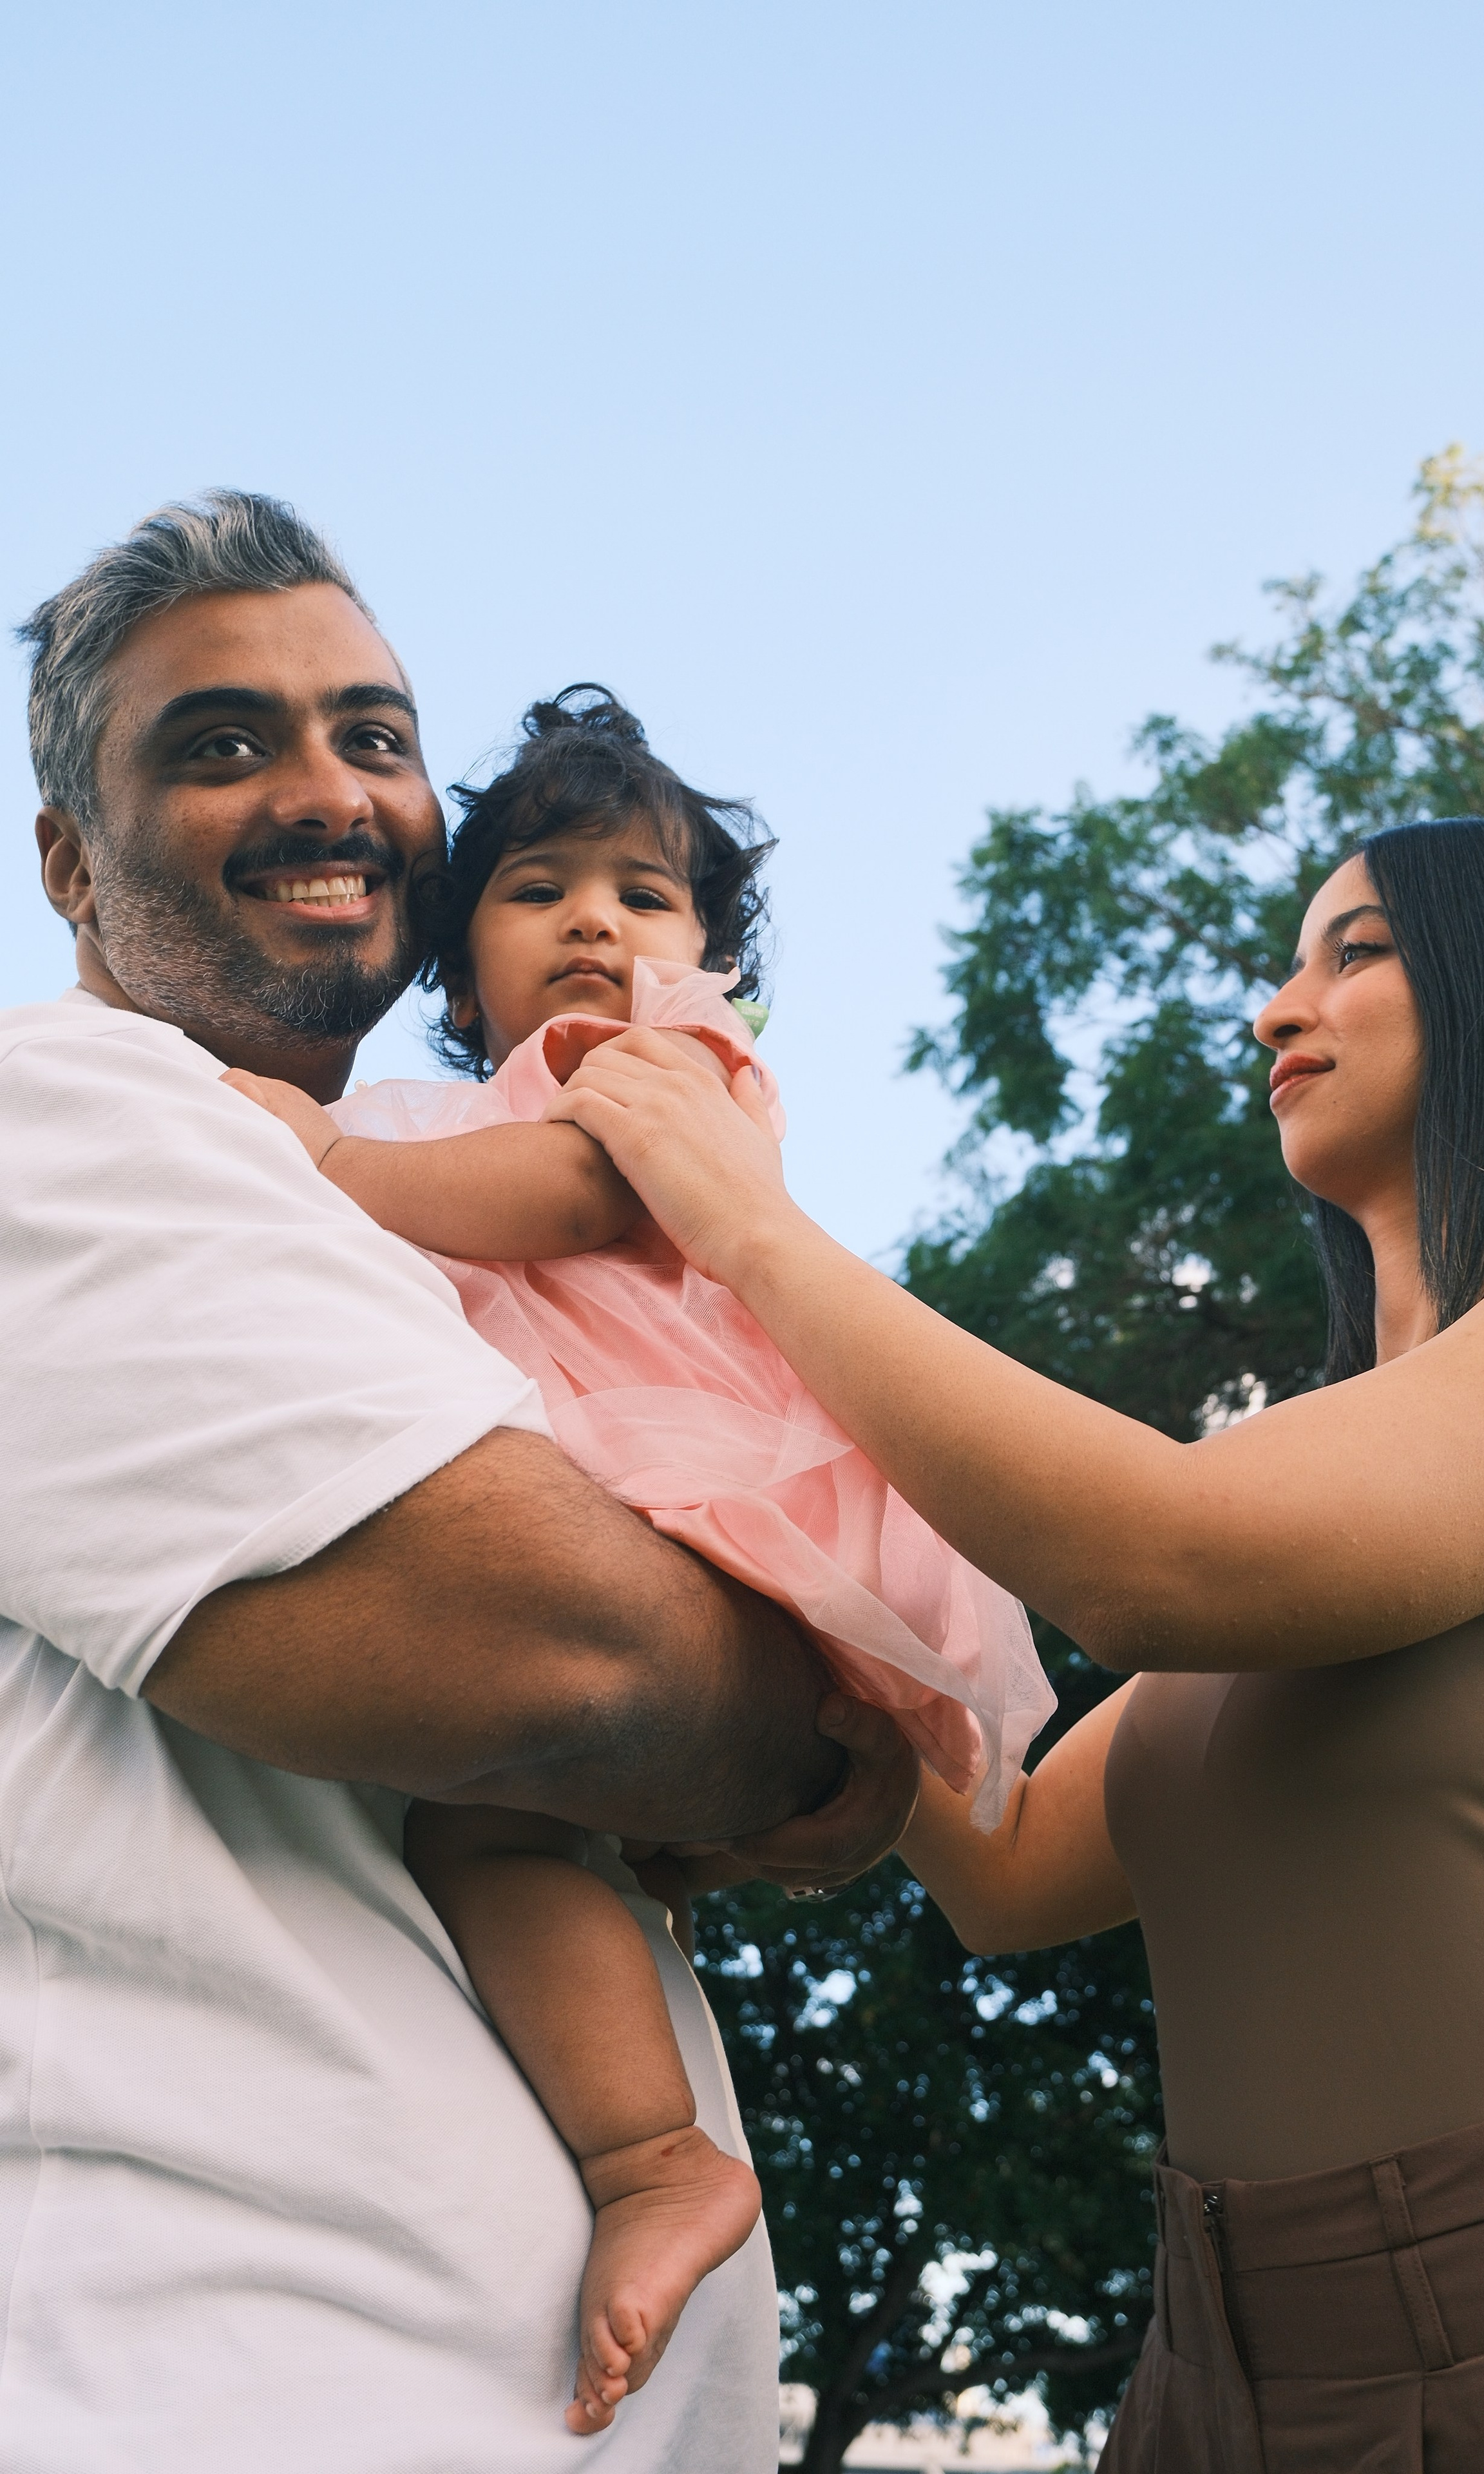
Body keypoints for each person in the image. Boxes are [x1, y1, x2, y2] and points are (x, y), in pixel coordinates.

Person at [551, 814, 1484, 2470]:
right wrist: (702, 1473)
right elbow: (1003, 1859)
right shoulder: (1322, 1490)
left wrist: (748, 1233)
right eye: (1288, 965)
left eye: (1353, 953)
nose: (1278, 1011)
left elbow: (1155, 1556)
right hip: (1215, 2373)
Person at [0, 490, 916, 2474]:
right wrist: (811, 1745)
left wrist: (810, 1754)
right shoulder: (62, 1106)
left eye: (378, 737)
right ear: (69, 861)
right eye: (222, 743)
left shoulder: (456, 1176)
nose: (330, 792)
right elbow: (562, 1661)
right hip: (235, 2388)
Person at [227, 684, 1054, 2435]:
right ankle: (650, 2145)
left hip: (682, 1478)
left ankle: (650, 2160)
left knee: (491, 1821)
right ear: (457, 973)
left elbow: (591, 1208)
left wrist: (316, 1159)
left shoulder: (665, 1069)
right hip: (599, 1498)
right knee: (515, 1837)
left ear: (707, 957)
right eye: (536, 890)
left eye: (644, 892)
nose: (595, 918)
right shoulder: (467, 1115)